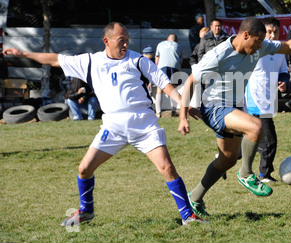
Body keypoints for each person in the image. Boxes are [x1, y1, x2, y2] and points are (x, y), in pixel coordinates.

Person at [2, 22, 206, 226]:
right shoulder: (91, 61)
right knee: (84, 169)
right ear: (106, 41)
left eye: (127, 39)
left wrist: (183, 104)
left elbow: (165, 84)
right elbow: (55, 59)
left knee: (166, 167)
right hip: (112, 126)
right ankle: (86, 211)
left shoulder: (138, 61)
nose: (126, 44)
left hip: (143, 124)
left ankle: (188, 216)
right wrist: (22, 53)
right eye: (121, 40)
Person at [178, 17, 291, 216]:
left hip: (233, 108)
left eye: (262, 42)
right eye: (258, 41)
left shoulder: (259, 46)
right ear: (245, 35)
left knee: (227, 160)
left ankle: (194, 198)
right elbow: (191, 80)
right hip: (213, 107)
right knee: (256, 127)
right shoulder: (219, 54)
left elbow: (289, 46)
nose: (261, 45)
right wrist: (183, 115)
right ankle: (246, 174)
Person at [244, 17, 289, 183]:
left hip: (269, 101)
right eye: (269, 32)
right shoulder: (257, 49)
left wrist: (284, 83)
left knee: (253, 137)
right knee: (269, 139)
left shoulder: (280, 51)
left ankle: (227, 156)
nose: (272, 35)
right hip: (254, 99)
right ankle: (264, 175)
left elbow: (283, 72)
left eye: (275, 32)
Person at [154, 33, 183, 118]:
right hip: (174, 66)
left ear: (167, 39)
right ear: (176, 40)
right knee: (173, 89)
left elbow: (156, 60)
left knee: (159, 89)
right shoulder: (178, 46)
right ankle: (173, 111)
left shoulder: (160, 44)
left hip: (162, 67)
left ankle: (158, 112)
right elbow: (180, 61)